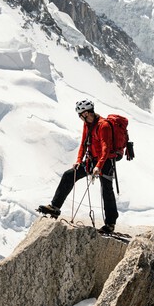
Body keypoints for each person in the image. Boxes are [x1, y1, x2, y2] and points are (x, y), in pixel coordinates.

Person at [39, 98, 119, 233]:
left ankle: (110, 223)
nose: (80, 117)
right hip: (91, 160)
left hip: (105, 162)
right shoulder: (88, 125)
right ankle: (55, 207)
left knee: (106, 190)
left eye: (80, 114)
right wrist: (78, 160)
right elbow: (83, 143)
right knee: (69, 175)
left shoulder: (103, 125)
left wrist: (98, 166)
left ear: (86, 113)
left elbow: (106, 148)